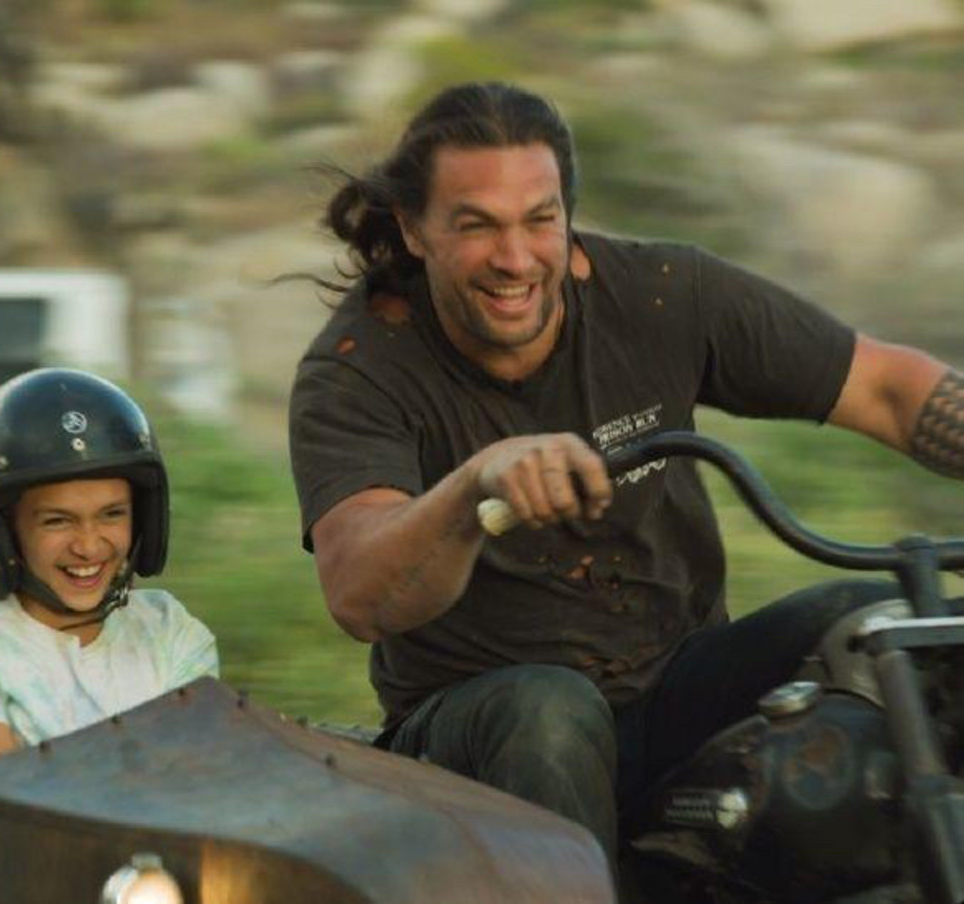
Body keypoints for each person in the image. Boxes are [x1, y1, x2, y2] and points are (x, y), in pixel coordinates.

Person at [287, 81, 963, 862]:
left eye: (539, 221)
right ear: (413, 230)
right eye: (477, 227)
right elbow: (361, 595)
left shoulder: (661, 296)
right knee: (550, 709)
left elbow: (889, 390)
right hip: (479, 733)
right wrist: (473, 489)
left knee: (880, 623)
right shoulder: (357, 369)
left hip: (677, 685)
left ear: (568, 218)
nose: (515, 258)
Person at [0, 368, 218, 765]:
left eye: (111, 514)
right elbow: (1, 798)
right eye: (57, 520)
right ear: (5, 531)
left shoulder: (170, 633)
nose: (88, 546)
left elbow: (194, 780)